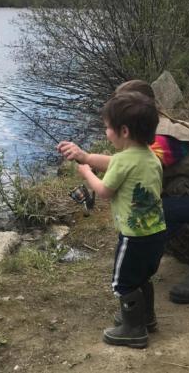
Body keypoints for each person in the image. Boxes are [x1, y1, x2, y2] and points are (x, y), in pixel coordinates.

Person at [58, 79, 189, 304]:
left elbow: (131, 166)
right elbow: (129, 163)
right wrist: (86, 158)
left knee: (151, 211)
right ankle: (179, 244)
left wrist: (86, 160)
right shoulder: (153, 129)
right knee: (150, 199)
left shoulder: (163, 139)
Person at [58, 90, 167, 348]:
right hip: (156, 233)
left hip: (134, 237)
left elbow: (105, 191)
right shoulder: (150, 157)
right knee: (142, 277)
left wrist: (86, 172)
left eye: (107, 128)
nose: (106, 132)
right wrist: (85, 156)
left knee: (123, 281)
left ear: (124, 131)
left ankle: (133, 329)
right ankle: (145, 318)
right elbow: (114, 162)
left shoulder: (122, 161)